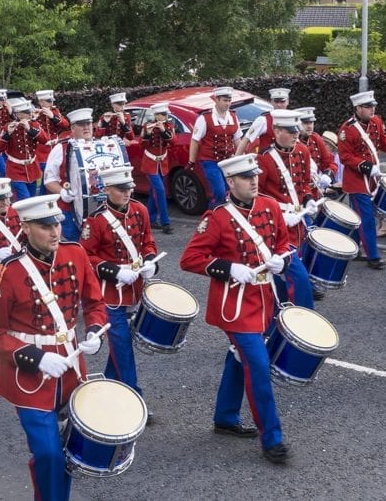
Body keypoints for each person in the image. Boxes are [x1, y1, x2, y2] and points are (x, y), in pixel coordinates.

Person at [0, 194, 107, 501]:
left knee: (68, 450)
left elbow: (94, 302)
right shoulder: (5, 272)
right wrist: (36, 358)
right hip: (29, 378)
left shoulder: (75, 253)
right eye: (45, 225)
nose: (55, 232)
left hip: (73, 368)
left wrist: (94, 331)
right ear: (25, 226)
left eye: (58, 224)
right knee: (48, 453)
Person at [180, 154, 291, 464]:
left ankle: (225, 417)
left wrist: (284, 259)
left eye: (254, 175)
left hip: (266, 298)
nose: (254, 180)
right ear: (230, 182)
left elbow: (284, 242)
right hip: (236, 305)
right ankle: (273, 438)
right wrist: (228, 268)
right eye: (246, 177)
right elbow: (189, 259)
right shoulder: (216, 217)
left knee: (239, 358)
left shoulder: (269, 206)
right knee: (258, 365)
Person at [79, 165, 158, 410]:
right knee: (122, 345)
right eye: (122, 189)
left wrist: (149, 262)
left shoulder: (140, 210)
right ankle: (135, 398)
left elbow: (148, 242)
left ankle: (110, 385)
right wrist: (114, 271)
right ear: (108, 189)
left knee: (121, 345)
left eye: (130, 188)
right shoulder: (96, 220)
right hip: (109, 294)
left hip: (135, 290)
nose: (127, 193)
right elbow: (85, 256)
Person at [255, 109, 315, 309]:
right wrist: (279, 213)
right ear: (277, 131)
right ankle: (305, 318)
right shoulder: (264, 158)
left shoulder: (302, 151)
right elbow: (256, 196)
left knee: (283, 277)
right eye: (291, 131)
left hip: (299, 223)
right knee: (300, 279)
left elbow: (304, 183)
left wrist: (308, 199)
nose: (297, 135)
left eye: (296, 131)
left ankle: (280, 314)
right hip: (276, 226)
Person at [337, 91, 386, 270]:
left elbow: (384, 142)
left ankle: (354, 248)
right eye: (367, 106)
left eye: (373, 105)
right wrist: (365, 166)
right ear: (357, 108)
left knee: (359, 218)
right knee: (366, 218)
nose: (372, 109)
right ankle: (373, 256)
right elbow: (345, 157)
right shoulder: (347, 130)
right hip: (357, 180)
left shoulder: (376, 122)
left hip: (373, 179)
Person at [43, 108, 95, 242]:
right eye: (81, 124)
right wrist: (62, 192)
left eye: (88, 123)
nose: (86, 127)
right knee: (74, 246)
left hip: (95, 208)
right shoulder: (61, 148)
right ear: (72, 128)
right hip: (69, 209)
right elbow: (49, 180)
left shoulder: (99, 146)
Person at [189, 87, 242, 209]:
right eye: (224, 100)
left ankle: (227, 215)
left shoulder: (233, 116)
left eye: (229, 100)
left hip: (228, 160)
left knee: (231, 190)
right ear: (216, 100)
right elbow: (195, 140)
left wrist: (240, 158)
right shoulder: (205, 118)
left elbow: (237, 139)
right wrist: (191, 161)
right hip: (210, 160)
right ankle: (212, 214)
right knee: (219, 191)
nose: (228, 103)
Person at [139, 102, 175, 233]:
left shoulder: (168, 126)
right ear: (156, 115)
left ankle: (150, 219)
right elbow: (141, 146)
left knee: (153, 191)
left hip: (162, 163)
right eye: (162, 115)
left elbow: (173, 141)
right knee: (160, 191)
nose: (165, 117)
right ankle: (166, 222)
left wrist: (163, 130)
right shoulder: (147, 125)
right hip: (150, 163)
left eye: (165, 114)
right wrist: (147, 134)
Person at [2, 99, 47, 202]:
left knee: (31, 200)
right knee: (24, 201)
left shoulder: (34, 125)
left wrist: (29, 129)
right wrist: (8, 134)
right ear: (18, 114)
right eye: (27, 112)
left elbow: (45, 139)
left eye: (30, 111)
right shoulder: (9, 127)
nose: (30, 114)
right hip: (16, 170)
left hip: (32, 169)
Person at [236, 87, 290, 154]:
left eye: (282, 102)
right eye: (276, 102)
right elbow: (246, 140)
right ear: (271, 102)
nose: (279, 105)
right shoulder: (263, 120)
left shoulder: (293, 119)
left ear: (288, 102)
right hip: (268, 161)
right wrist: (238, 158)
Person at [296, 107, 337, 195]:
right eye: (305, 123)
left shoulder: (316, 139)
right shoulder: (292, 142)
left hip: (313, 191)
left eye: (311, 122)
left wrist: (327, 175)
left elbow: (330, 163)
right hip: (296, 192)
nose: (309, 126)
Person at [33, 89, 69, 173]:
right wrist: (34, 118)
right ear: (41, 102)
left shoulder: (54, 111)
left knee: (55, 171)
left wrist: (53, 116)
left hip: (55, 146)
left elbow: (66, 125)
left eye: (51, 101)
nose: (51, 104)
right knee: (47, 171)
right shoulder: (35, 113)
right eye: (48, 101)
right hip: (42, 149)